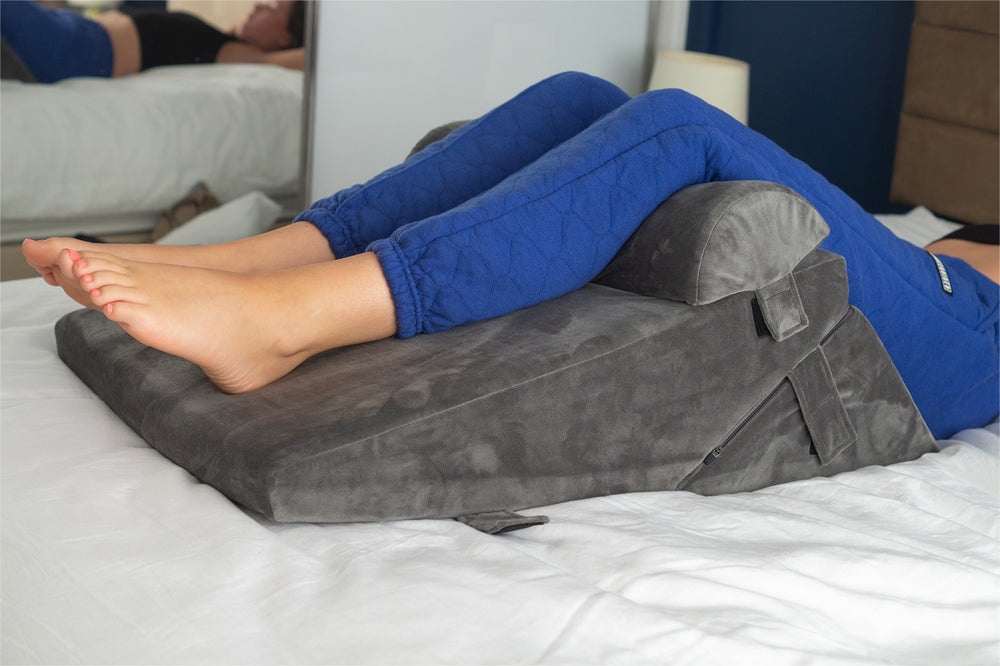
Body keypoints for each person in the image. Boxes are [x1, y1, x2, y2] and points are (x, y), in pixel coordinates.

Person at [22, 72, 999, 440]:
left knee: (680, 126)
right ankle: (258, 260)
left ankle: (288, 322)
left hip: (970, 332)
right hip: (933, 269)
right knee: (582, 97)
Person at [1, 0, 306, 83]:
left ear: (284, 38)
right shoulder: (223, 37)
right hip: (72, 29)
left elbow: (314, 58)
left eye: (273, 8)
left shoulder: (242, 56)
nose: (258, 5)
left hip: (75, 50)